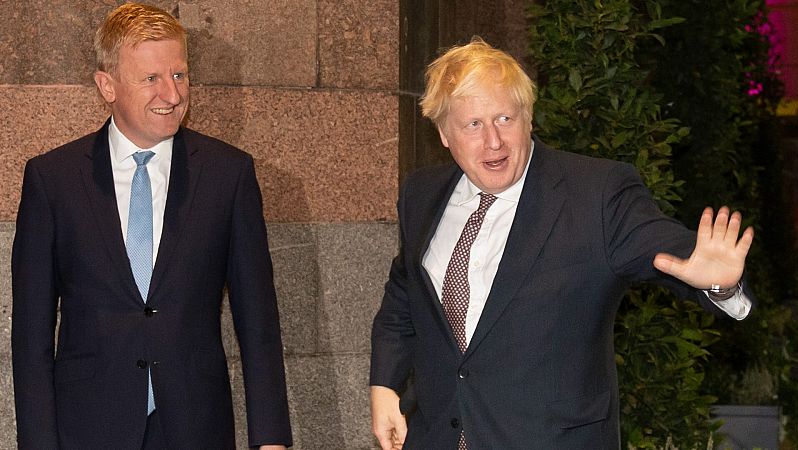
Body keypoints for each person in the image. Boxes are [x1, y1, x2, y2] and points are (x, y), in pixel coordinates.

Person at [369, 37, 754, 450]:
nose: (494, 141)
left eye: (505, 118)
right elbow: (405, 296)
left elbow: (662, 249)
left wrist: (720, 282)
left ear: (528, 116)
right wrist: (384, 385)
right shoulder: (421, 195)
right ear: (445, 133)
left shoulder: (595, 194)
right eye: (473, 125)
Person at [11, 3, 291, 449]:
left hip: (195, 427)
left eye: (179, 75)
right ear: (107, 85)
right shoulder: (54, 180)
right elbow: (31, 335)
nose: (172, 94)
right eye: (151, 79)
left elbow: (258, 319)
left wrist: (271, 437)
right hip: (87, 429)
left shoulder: (227, 175)